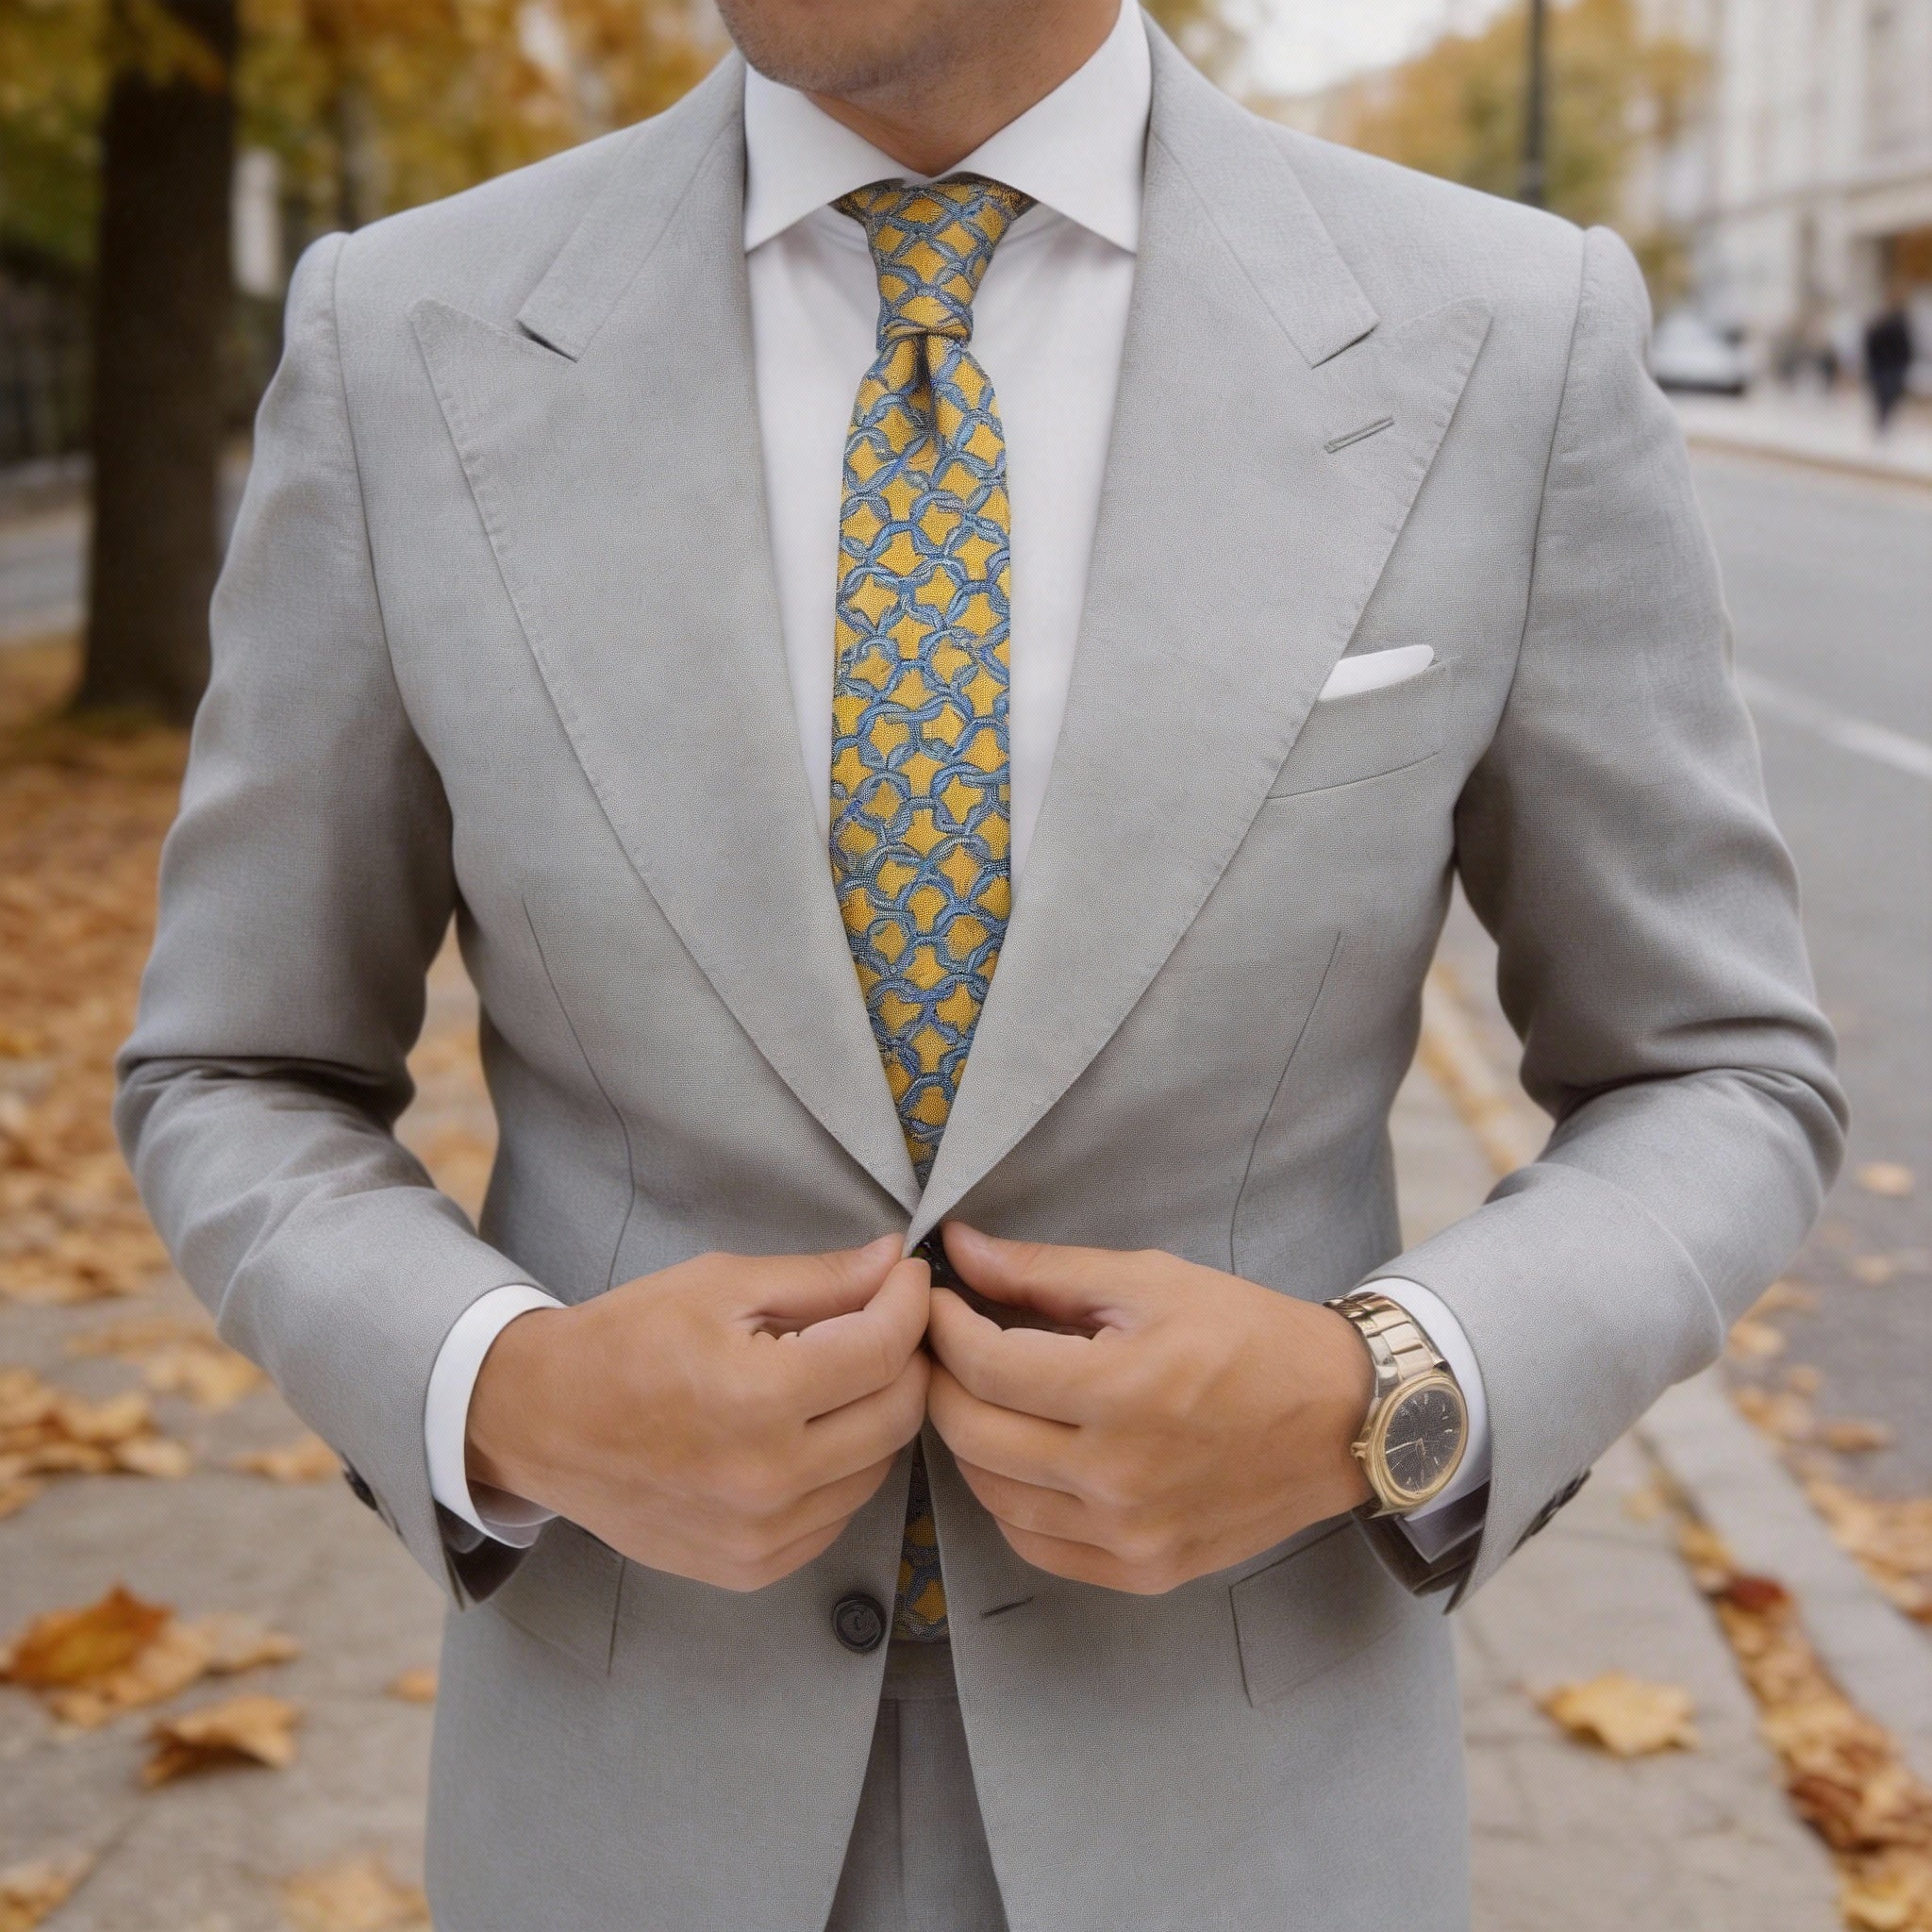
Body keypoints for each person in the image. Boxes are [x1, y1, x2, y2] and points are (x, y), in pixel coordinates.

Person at [116, 2, 1845, 1927]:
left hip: (1249, 1813)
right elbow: (236, 1064)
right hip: (625, 1810)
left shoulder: (1506, 335)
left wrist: (1383, 1395)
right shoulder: (401, 341)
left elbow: (1717, 1069)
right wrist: (499, 1391)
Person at [1864, 291, 1916, 431]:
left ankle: (1882, 420)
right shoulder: (1895, 323)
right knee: (1886, 395)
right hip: (1889, 366)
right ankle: (1882, 421)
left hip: (1888, 366)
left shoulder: (1892, 323)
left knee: (1886, 396)